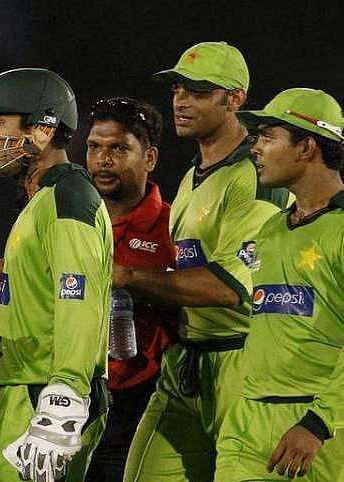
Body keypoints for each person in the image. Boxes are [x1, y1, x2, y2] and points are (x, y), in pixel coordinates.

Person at [116, 42, 291, 481]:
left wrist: (126, 278)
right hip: (188, 363)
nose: (180, 100)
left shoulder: (256, 176)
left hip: (241, 365)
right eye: (177, 89)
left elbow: (229, 289)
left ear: (235, 99)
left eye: (197, 90)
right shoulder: (195, 174)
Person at [0, 67, 113, 482]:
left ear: (42, 131)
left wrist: (63, 398)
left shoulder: (68, 197)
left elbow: (79, 300)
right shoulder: (41, 200)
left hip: (42, 399)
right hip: (19, 392)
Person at [214, 88, 344, 481]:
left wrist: (319, 423)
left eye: (269, 137)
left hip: (315, 433)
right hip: (245, 425)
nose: (255, 148)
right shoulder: (270, 229)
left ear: (307, 147)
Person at [83, 97, 178, 481]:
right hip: (77, 398)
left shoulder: (175, 226)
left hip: (143, 401)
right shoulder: (73, 224)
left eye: (119, 148)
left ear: (150, 157)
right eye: (94, 148)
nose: (103, 160)